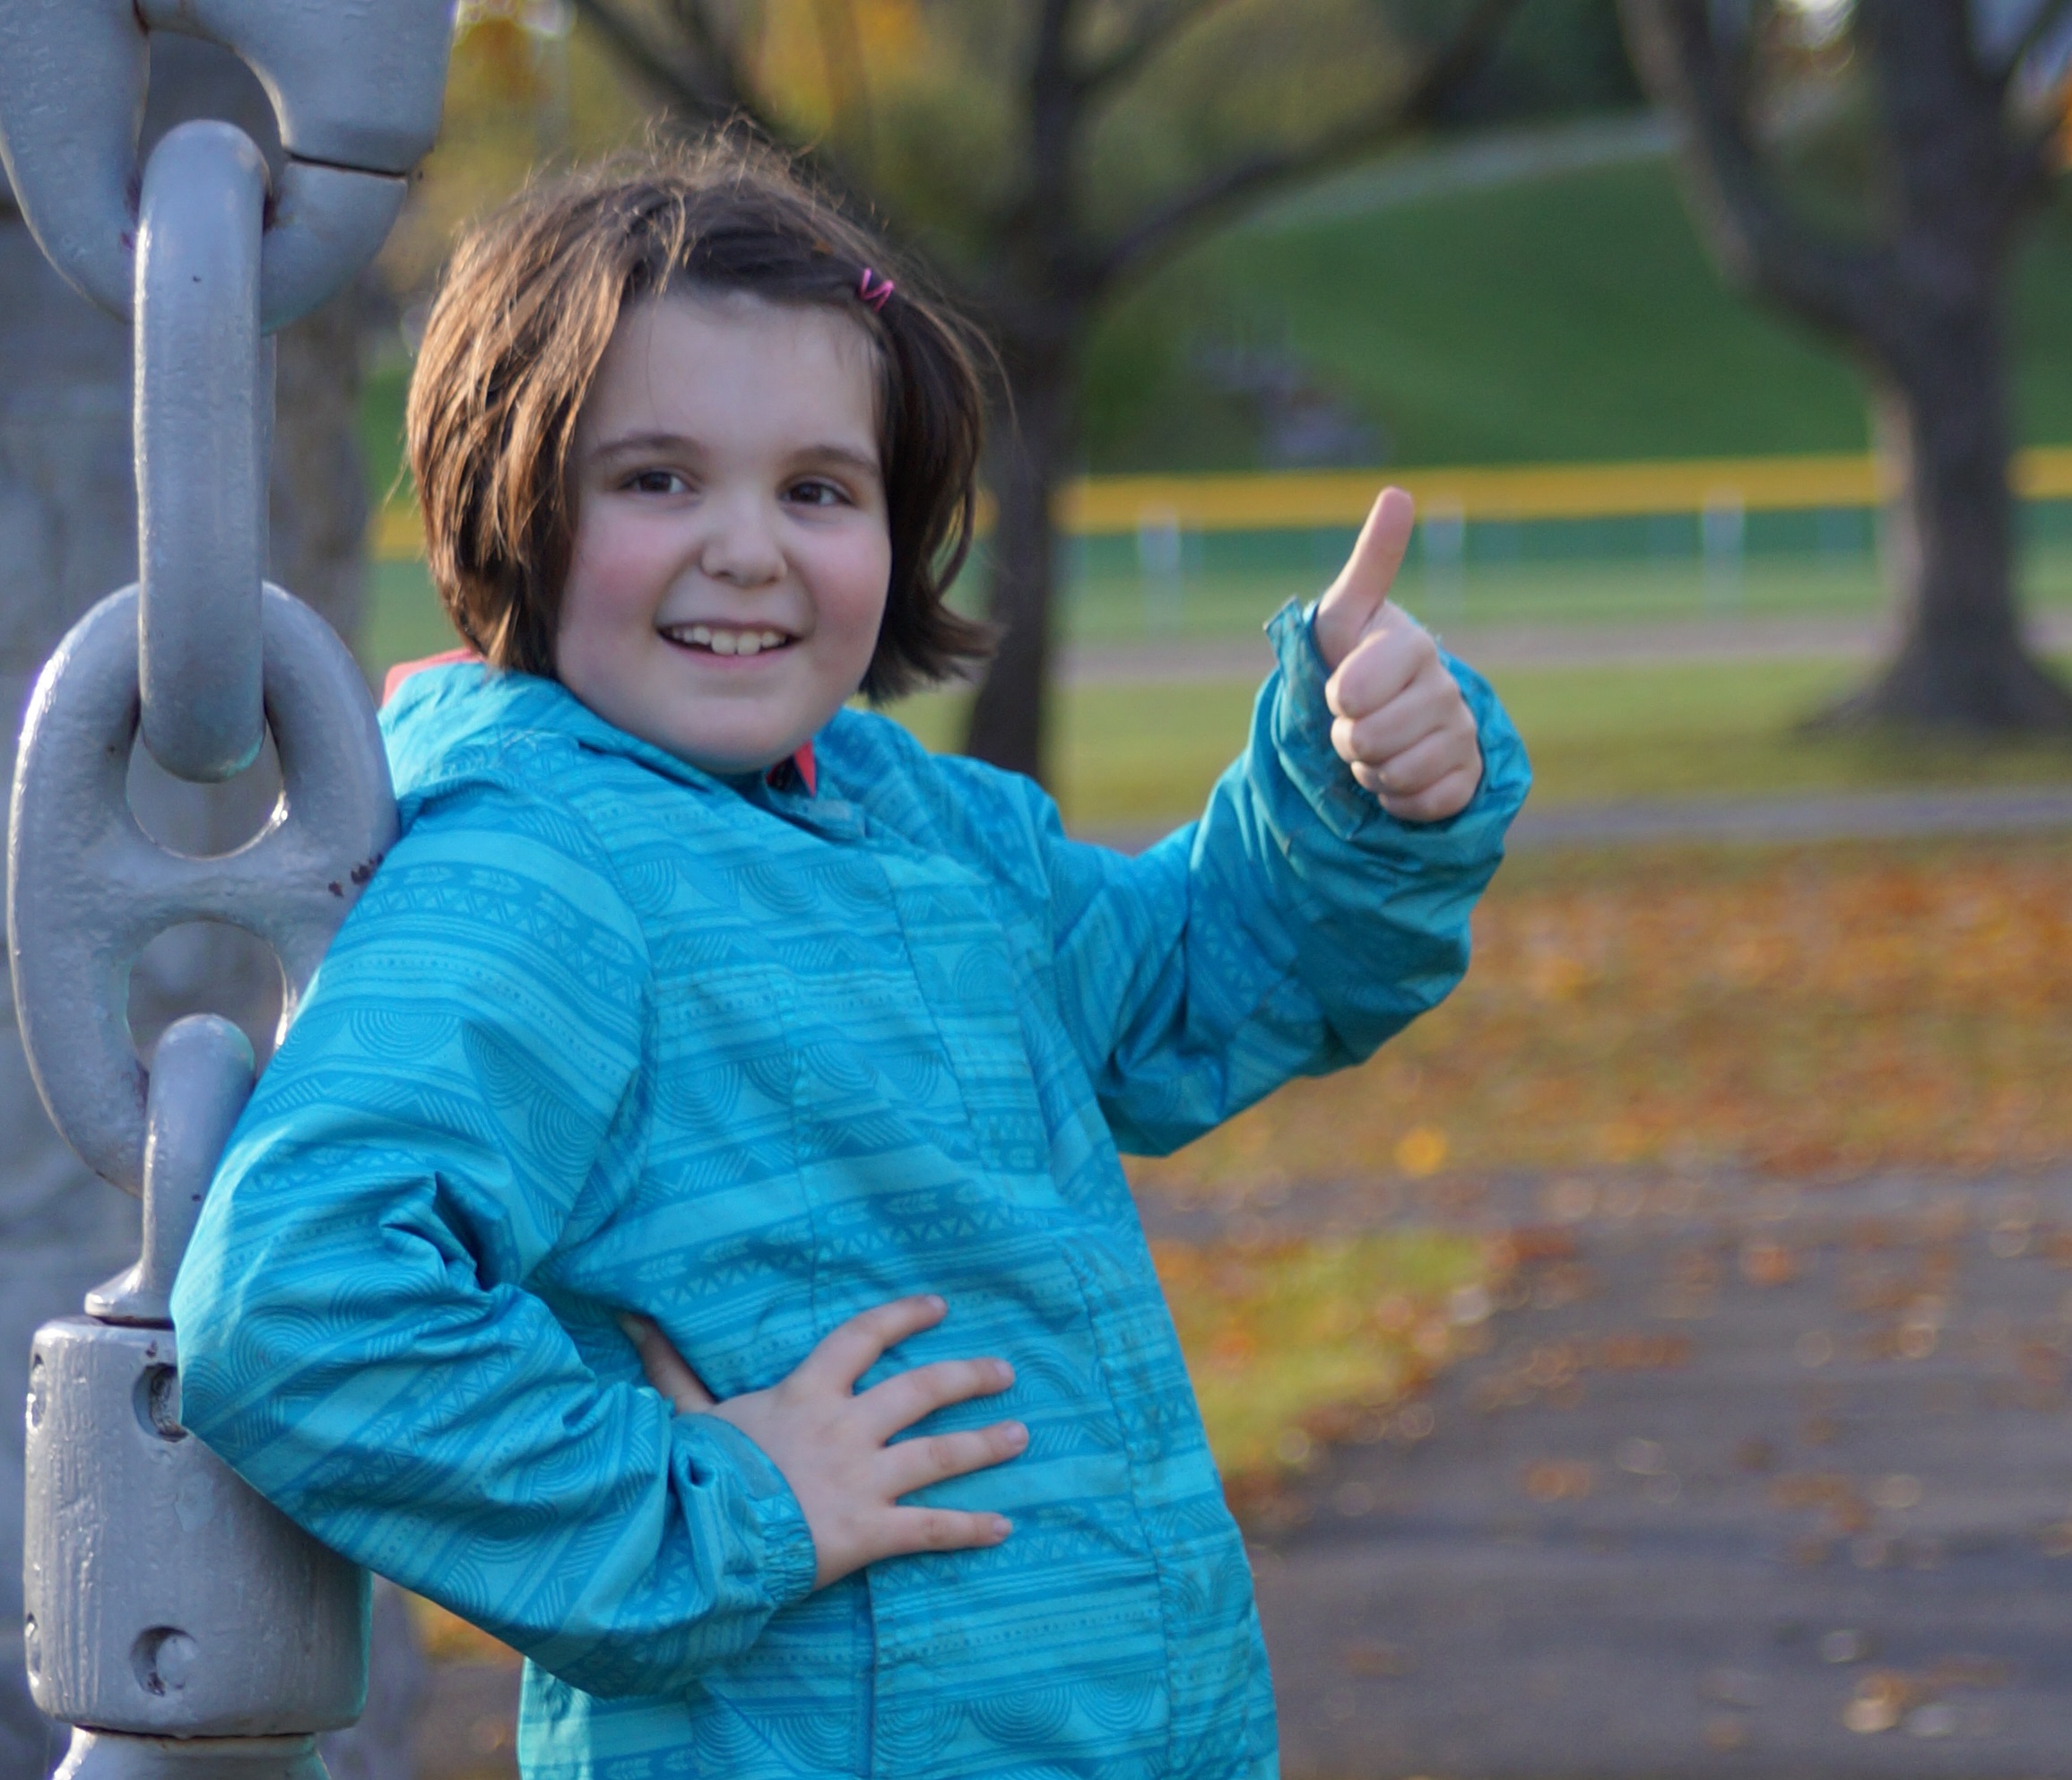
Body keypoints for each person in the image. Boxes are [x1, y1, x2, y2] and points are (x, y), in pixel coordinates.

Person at [169, 138, 1527, 1780]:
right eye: (657, 479)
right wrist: (716, 1505)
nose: (748, 548)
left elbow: (1190, 987)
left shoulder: (919, 823)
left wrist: (1355, 790)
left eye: (817, 489)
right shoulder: (534, 874)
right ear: (514, 502)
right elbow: (299, 1302)